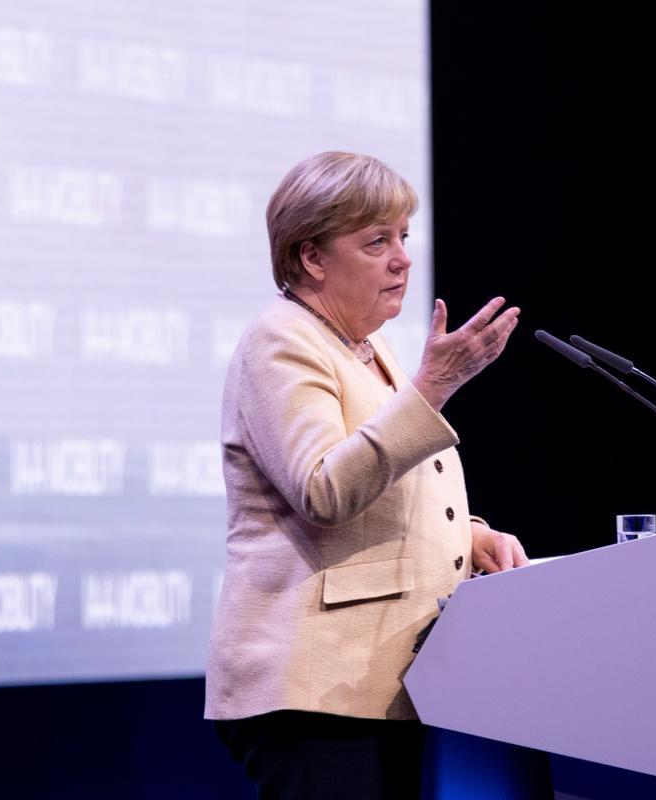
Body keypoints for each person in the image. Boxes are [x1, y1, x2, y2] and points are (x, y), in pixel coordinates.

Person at [204, 151, 529, 798]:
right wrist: (433, 386)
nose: (403, 258)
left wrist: (468, 537)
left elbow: (385, 486)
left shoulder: (363, 345)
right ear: (311, 258)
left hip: (380, 680)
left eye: (404, 237)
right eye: (376, 241)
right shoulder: (281, 341)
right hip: (315, 686)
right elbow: (325, 489)